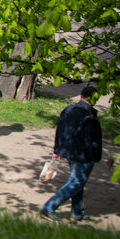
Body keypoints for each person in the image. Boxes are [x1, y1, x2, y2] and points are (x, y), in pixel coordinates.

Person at [41, 85, 102, 222]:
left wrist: (57, 150)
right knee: (76, 182)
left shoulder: (68, 110)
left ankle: (77, 213)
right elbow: (91, 140)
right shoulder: (89, 116)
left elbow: (60, 130)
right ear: (93, 98)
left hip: (69, 152)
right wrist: (94, 157)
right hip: (83, 155)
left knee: (77, 182)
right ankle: (49, 207)